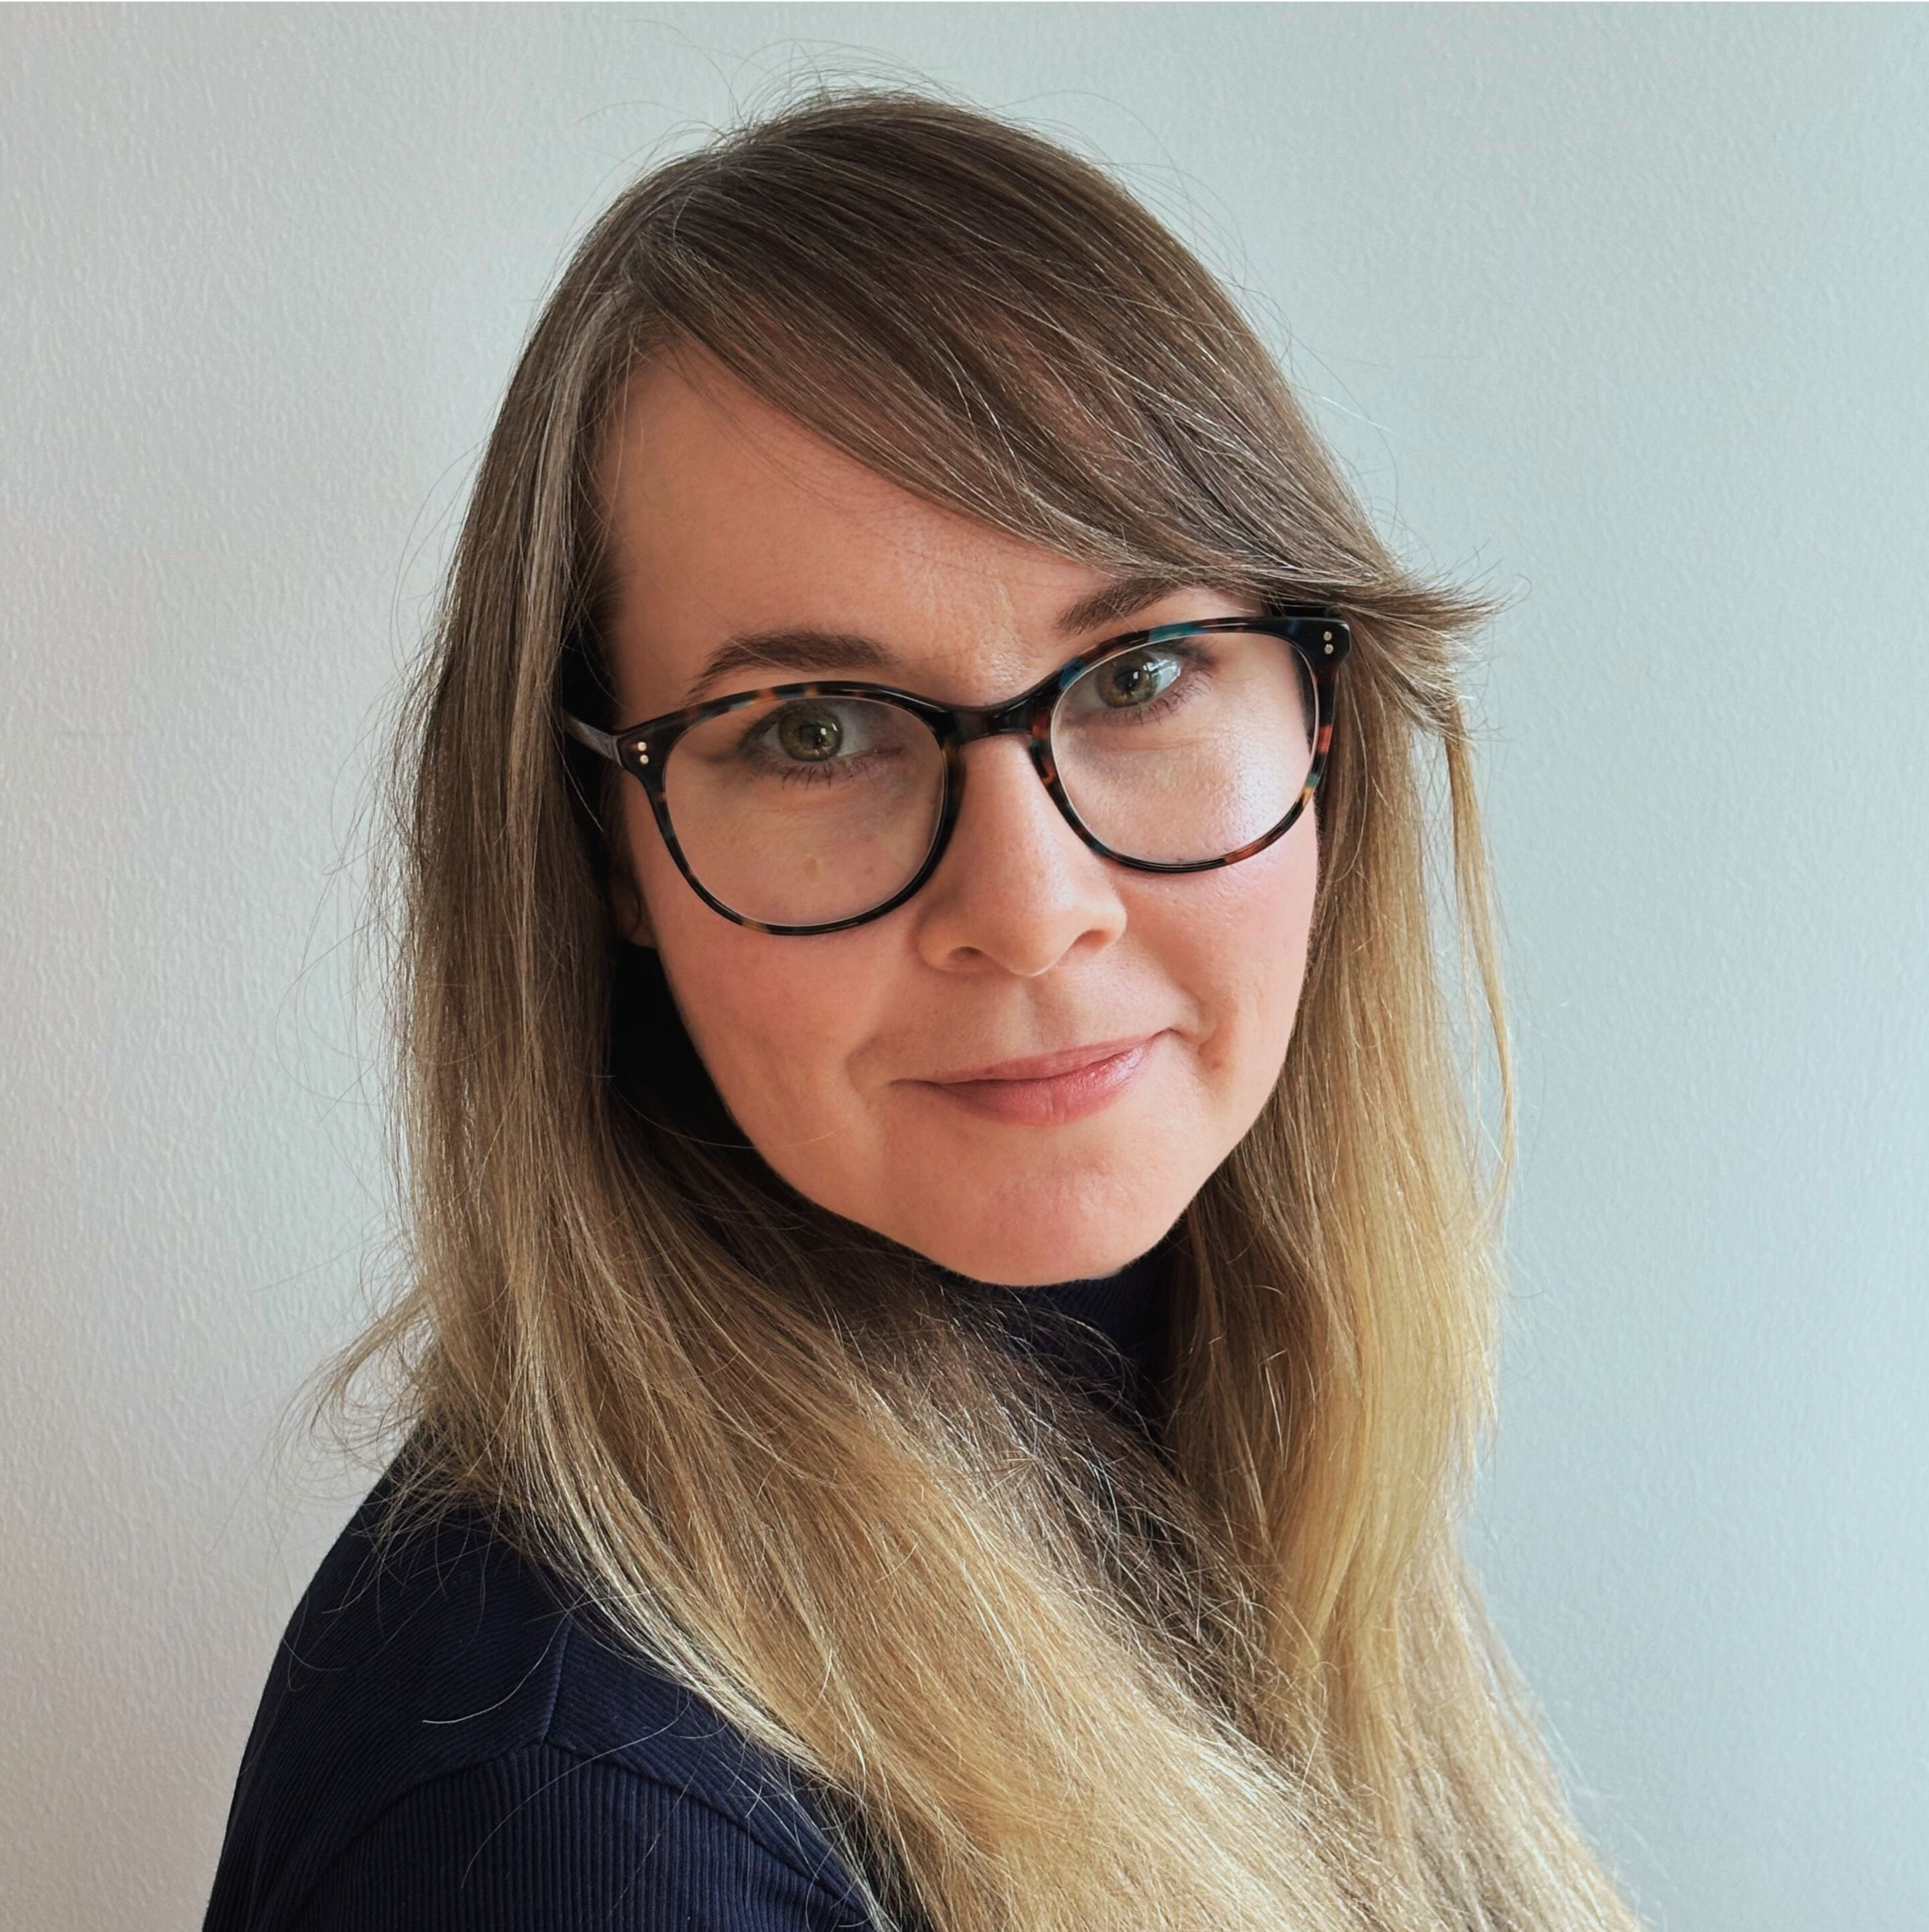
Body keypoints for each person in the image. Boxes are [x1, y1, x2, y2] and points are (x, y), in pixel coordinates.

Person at [202, 84, 1641, 1932]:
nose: (1028, 910)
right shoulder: (561, 1828)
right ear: (599, 847)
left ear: (1320, 713)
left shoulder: (1227, 1448)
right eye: (812, 728)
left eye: (1137, 671)